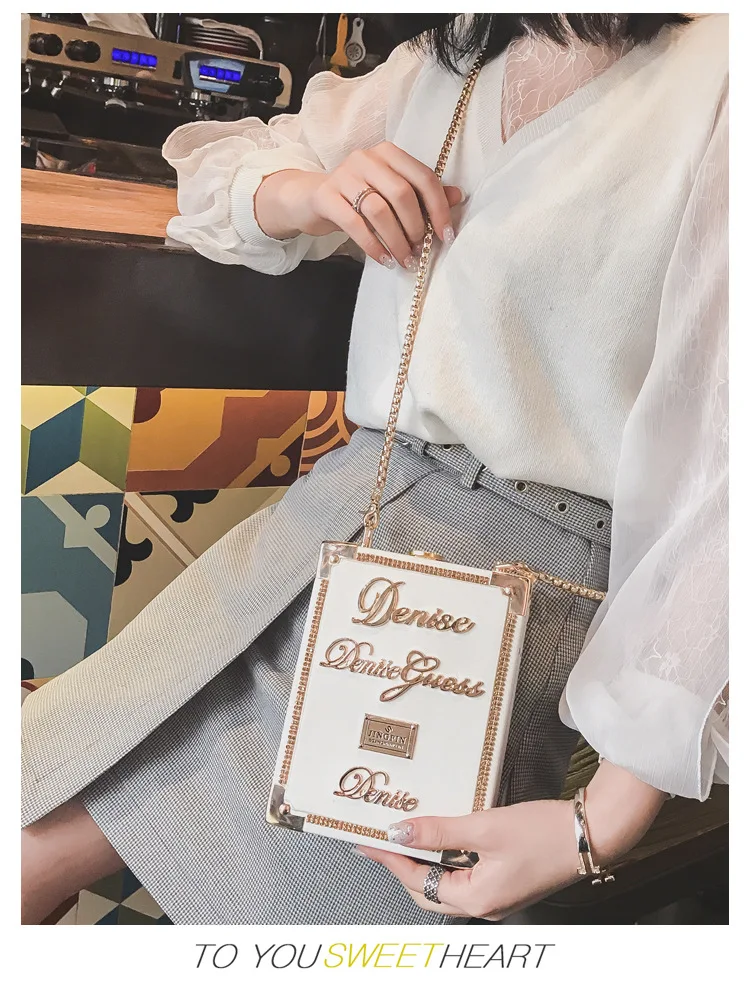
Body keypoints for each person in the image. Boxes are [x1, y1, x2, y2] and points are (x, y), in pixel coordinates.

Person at [21, 13, 728, 925]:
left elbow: (723, 468)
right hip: (324, 528)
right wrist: (311, 193)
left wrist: (606, 814)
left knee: (306, 921)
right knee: (30, 820)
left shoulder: (717, 70)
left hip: (504, 593)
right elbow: (220, 171)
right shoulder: (452, 57)